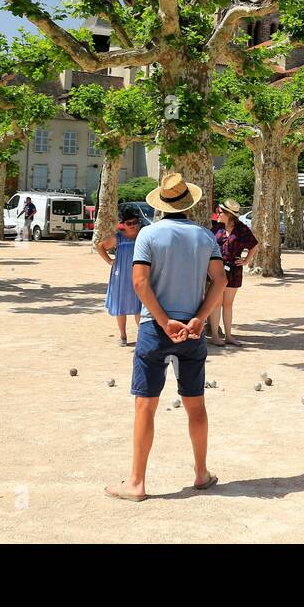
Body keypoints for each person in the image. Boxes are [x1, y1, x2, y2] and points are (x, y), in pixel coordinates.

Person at [105, 172, 226, 502]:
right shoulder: (205, 237)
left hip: (153, 330)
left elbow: (140, 283)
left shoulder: (149, 235)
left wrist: (163, 320)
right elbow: (220, 280)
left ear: (161, 203)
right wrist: (200, 319)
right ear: (189, 203)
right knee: (195, 404)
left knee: (145, 405)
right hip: (192, 330)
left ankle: (136, 483)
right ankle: (201, 473)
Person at [209, 198, 257, 346]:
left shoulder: (242, 229)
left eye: (221, 211)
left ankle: (229, 336)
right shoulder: (215, 228)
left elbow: (254, 245)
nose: (218, 213)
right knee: (216, 303)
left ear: (229, 214)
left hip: (234, 270)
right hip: (217, 269)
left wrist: (246, 260)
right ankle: (215, 336)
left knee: (228, 304)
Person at [97, 205, 144, 346]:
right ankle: (123, 336)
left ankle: (142, 336)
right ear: (123, 224)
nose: (133, 226)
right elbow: (100, 246)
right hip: (121, 275)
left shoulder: (143, 235)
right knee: (120, 306)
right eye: (129, 223)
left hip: (139, 273)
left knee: (139, 306)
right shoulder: (119, 238)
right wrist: (109, 261)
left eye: (136, 222)